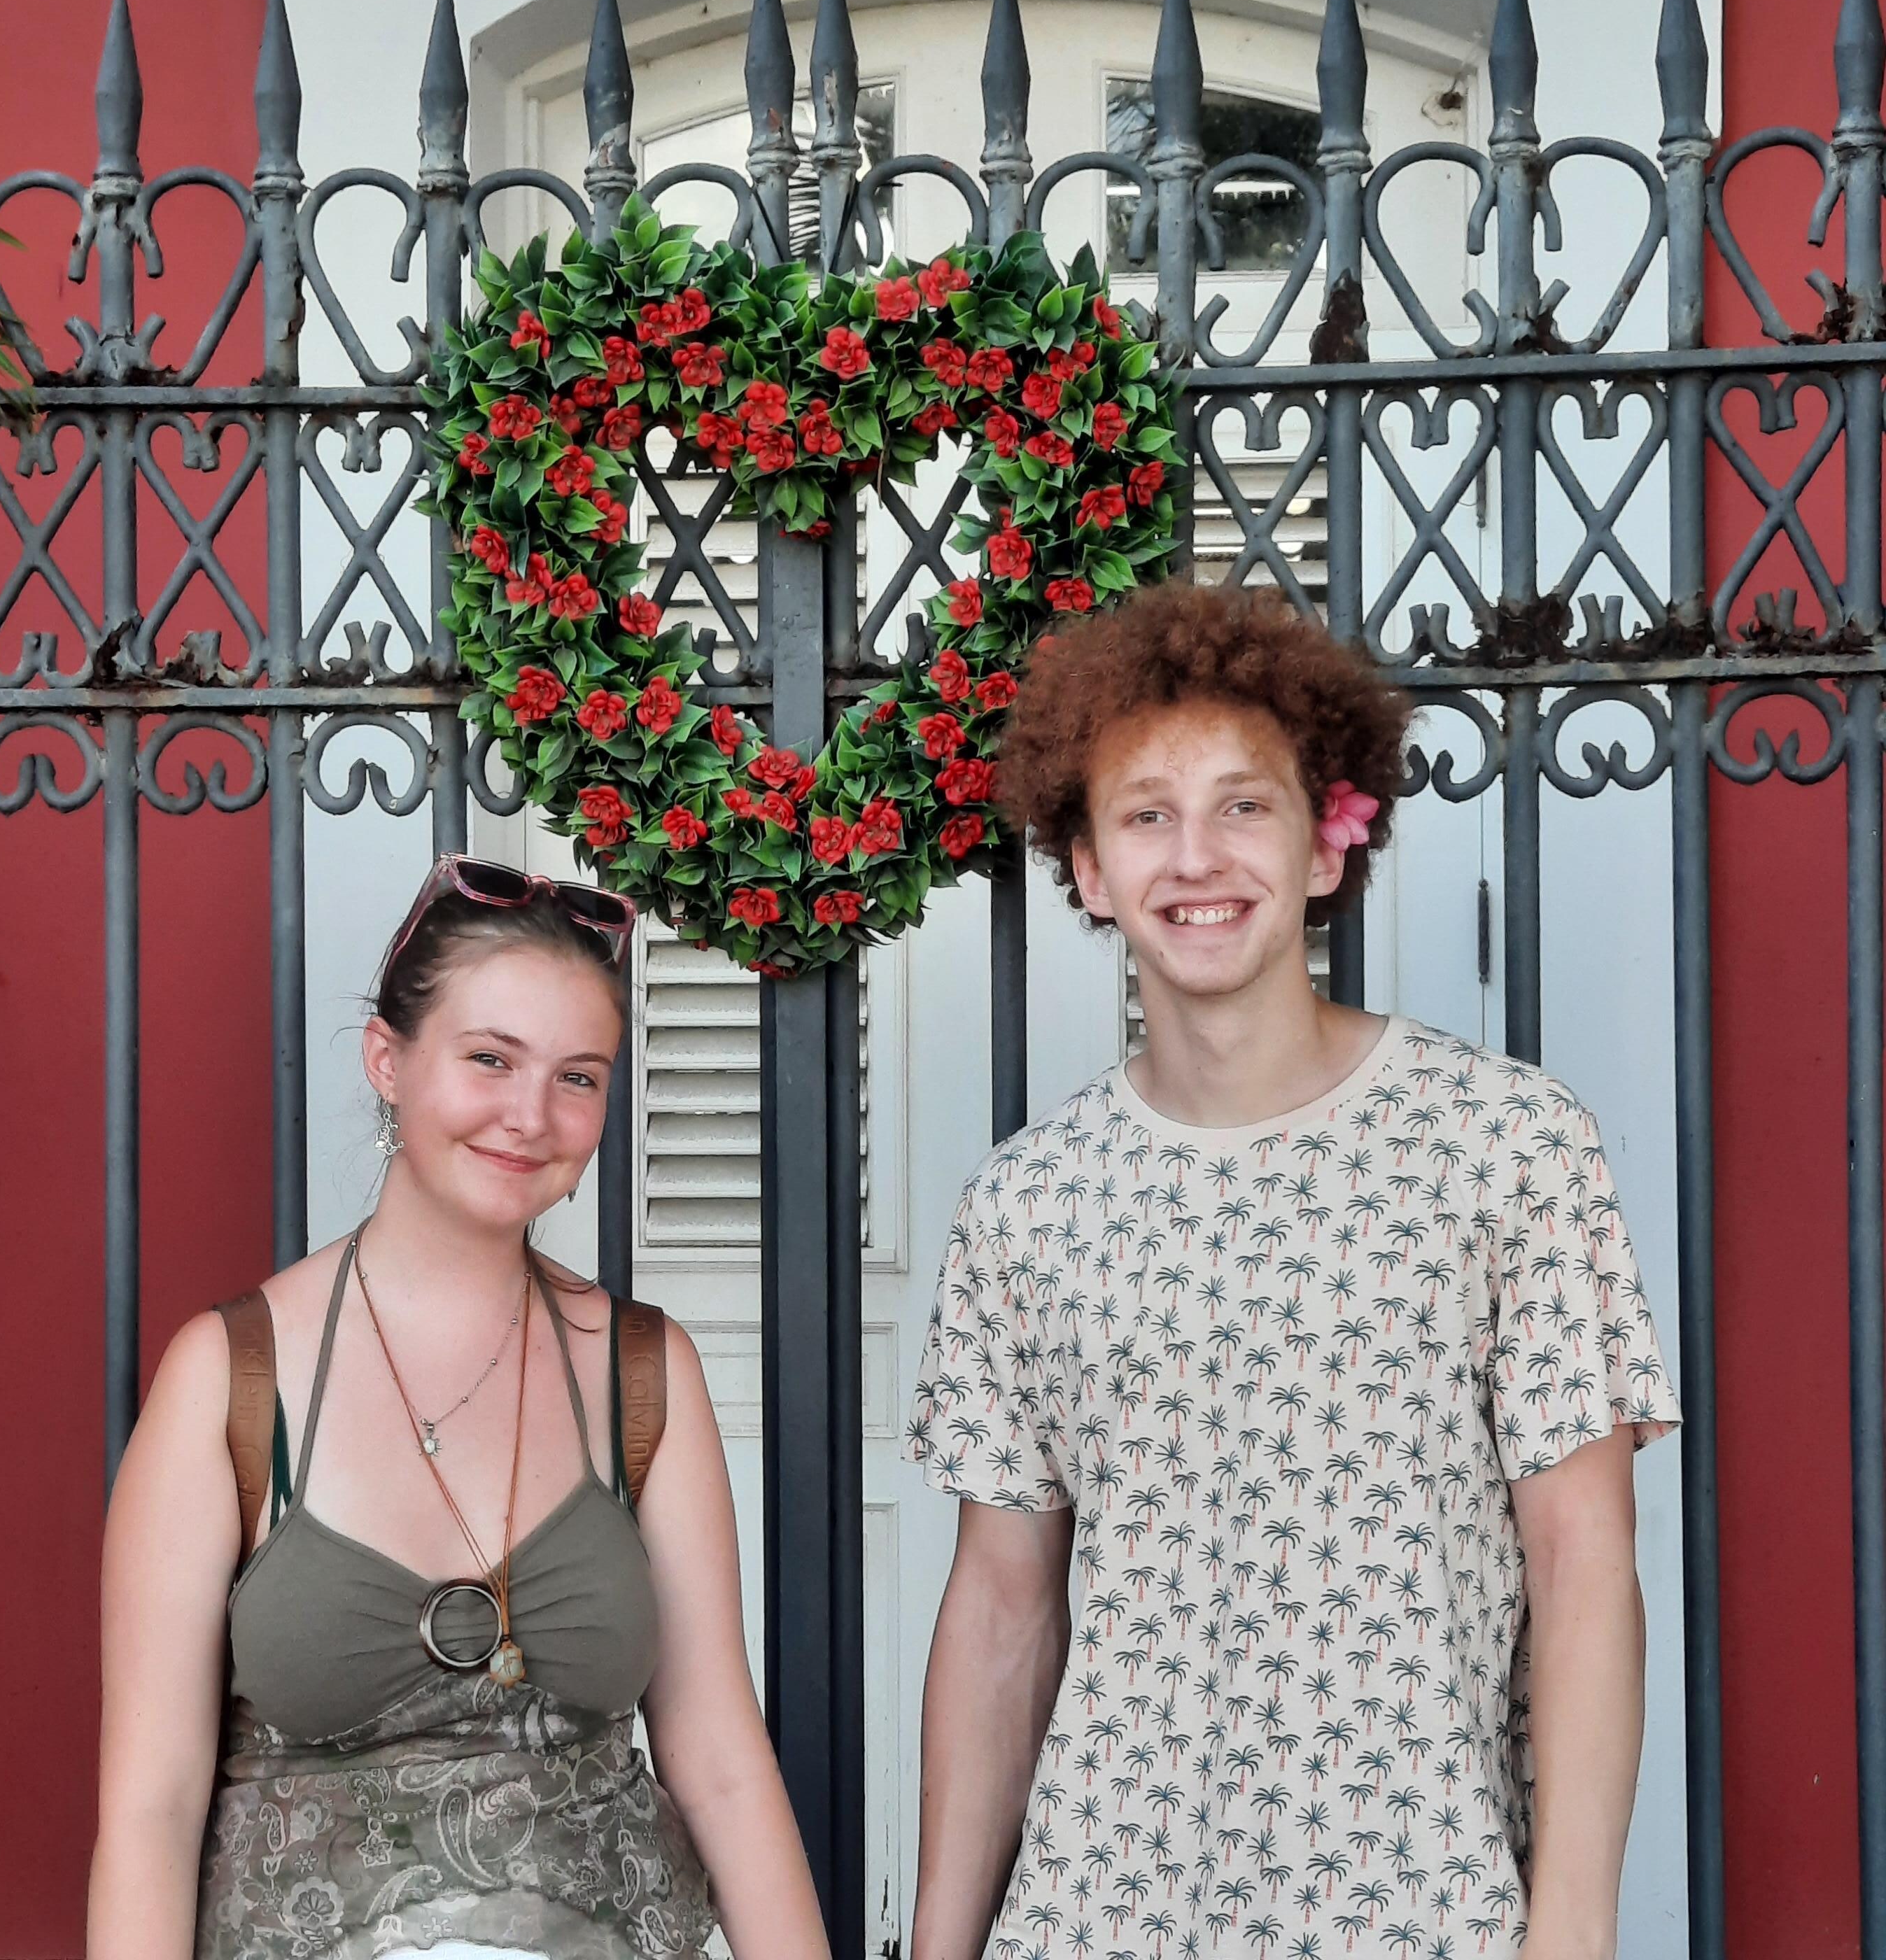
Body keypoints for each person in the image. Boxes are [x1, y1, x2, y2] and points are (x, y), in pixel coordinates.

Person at [906, 582, 1680, 1960]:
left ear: (1329, 841)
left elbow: (1582, 1564)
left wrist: (1568, 1930)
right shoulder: (1023, 1205)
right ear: (1084, 868)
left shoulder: (1506, 1148)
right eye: (1143, 813)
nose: (1193, 854)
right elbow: (998, 1606)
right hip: (1097, 1919)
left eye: (1241, 805)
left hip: (1416, 1912)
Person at [88, 856, 830, 1960]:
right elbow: (150, 1811)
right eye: (490, 1059)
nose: (531, 1116)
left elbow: (721, 1761)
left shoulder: (642, 1370)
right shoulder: (230, 1376)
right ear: (388, 1061)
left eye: (579, 1077)